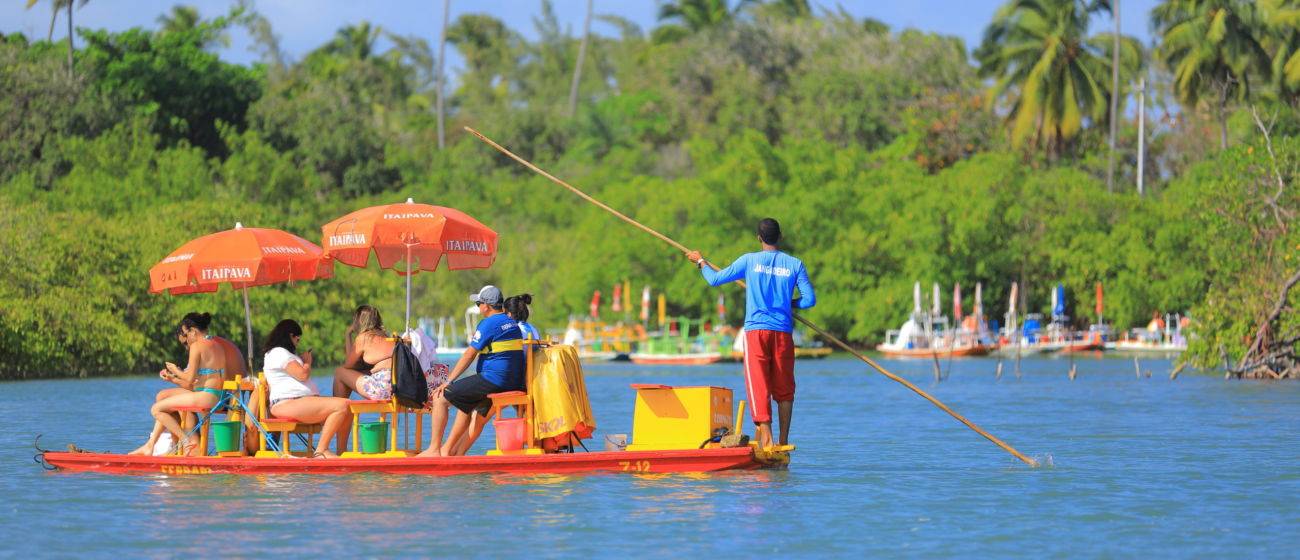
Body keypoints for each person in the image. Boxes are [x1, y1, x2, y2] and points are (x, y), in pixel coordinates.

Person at [686, 218, 815, 448]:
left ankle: (766, 438)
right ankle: (783, 441)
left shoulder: (749, 260)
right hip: (783, 333)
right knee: (785, 389)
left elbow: (715, 280)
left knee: (758, 384)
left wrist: (701, 261)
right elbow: (809, 300)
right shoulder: (795, 264)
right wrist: (789, 303)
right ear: (780, 237)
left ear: (759, 238)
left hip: (756, 331)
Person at [417, 286, 526, 457]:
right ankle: (453, 454)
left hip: (494, 380)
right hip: (511, 381)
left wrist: (448, 381)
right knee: (466, 405)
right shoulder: (511, 323)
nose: (478, 307)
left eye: (478, 303)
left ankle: (434, 450)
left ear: (486, 306)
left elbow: (469, 355)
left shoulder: (489, 323)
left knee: (440, 397)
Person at [261, 319, 352, 458]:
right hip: (287, 403)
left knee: (348, 410)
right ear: (290, 336)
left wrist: (301, 360)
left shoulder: (284, 354)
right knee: (342, 405)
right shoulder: (277, 352)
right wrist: (308, 363)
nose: (298, 342)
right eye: (297, 338)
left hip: (299, 402)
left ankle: (341, 452)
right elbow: (302, 374)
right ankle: (321, 451)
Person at [145, 313, 231, 455]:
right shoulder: (217, 345)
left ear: (193, 331)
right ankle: (161, 445)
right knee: (163, 398)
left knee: (156, 409)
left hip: (206, 397)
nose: (187, 339)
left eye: (186, 333)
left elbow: (189, 378)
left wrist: (175, 370)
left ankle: (186, 442)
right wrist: (175, 377)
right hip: (219, 397)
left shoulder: (197, 346)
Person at [333, 305, 397, 401]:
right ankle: (341, 409)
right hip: (397, 389)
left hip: (382, 389)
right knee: (355, 373)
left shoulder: (363, 338)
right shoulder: (385, 336)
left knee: (340, 372)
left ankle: (338, 409)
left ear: (359, 321)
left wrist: (348, 334)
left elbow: (348, 365)